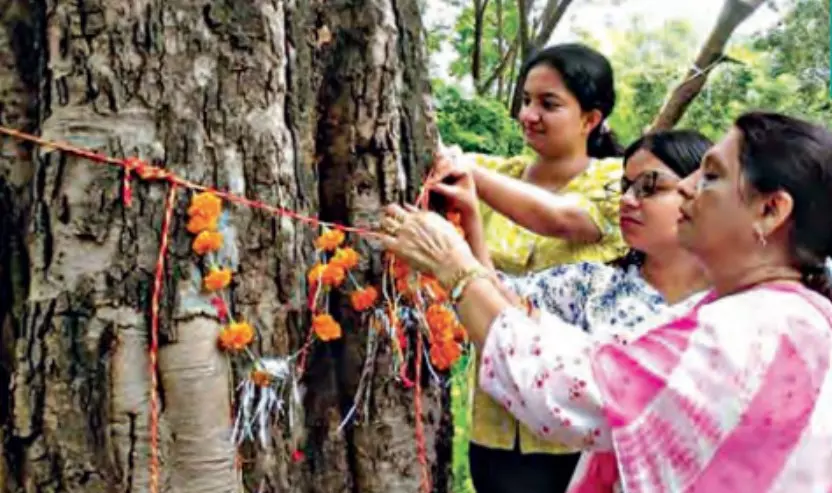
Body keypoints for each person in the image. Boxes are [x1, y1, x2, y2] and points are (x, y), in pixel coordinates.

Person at [380, 111, 832, 492]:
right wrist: (467, 240)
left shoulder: (750, 330)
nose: (690, 190)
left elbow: (566, 381)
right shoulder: (778, 318)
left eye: (712, 175)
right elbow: (571, 345)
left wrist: (455, 268)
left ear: (770, 210)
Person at [434, 129, 713, 492]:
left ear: (700, 195)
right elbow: (502, 308)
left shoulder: (733, 309)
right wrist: (470, 217)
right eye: (625, 186)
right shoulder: (595, 286)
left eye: (649, 187)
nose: (628, 200)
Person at [435, 42, 629, 493]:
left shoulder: (616, 182)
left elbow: (559, 218)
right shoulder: (497, 171)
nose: (529, 114)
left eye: (549, 104)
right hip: (495, 417)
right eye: (525, 100)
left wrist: (468, 174)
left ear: (591, 119)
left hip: (578, 428)